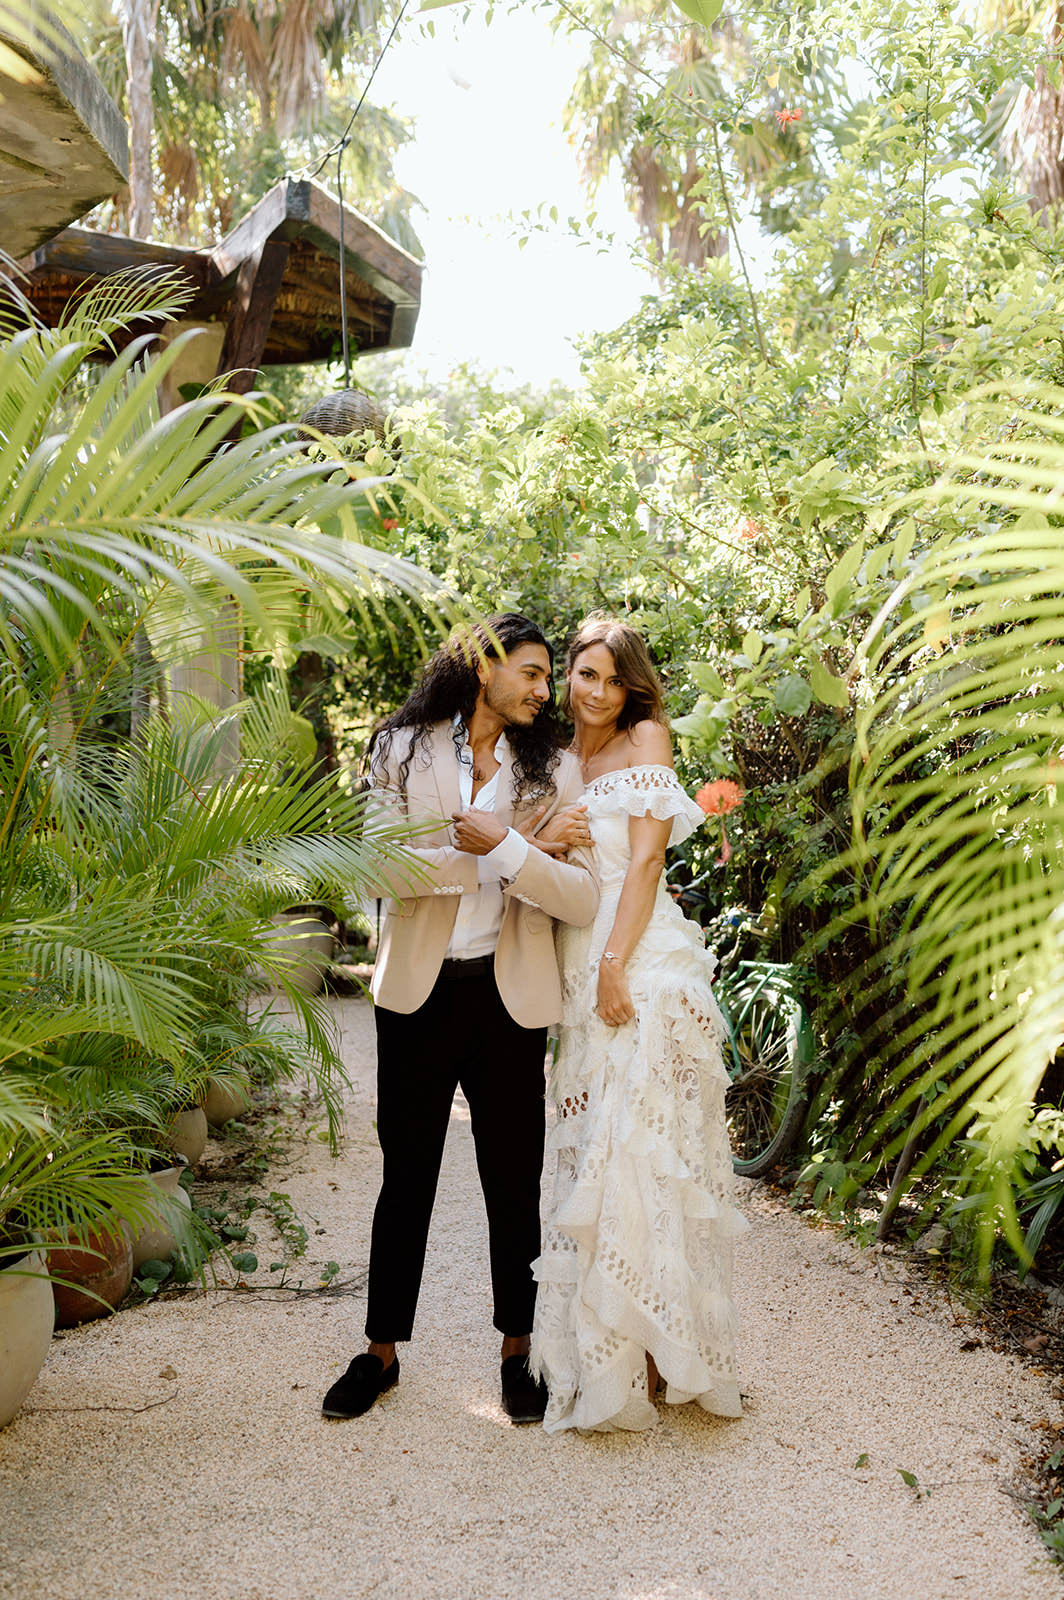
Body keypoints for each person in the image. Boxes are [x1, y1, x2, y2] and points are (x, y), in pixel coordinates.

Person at [321, 614, 598, 1424]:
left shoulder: (556, 769)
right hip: (418, 992)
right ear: (485, 667)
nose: (548, 691)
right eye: (535, 673)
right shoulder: (402, 748)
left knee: (512, 1183)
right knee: (404, 1180)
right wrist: (509, 845)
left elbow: (578, 894)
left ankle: (520, 1354)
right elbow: (377, 864)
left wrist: (509, 850)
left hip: (511, 999)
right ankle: (379, 1354)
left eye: (552, 677)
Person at [530, 614, 747, 1433]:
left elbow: (648, 860)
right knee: (596, 1155)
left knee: (644, 1153)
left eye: (612, 679)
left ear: (634, 689)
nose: (596, 692)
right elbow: (533, 855)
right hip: (577, 968)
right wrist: (552, 834)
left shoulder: (647, 739)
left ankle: (664, 1352)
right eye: (585, 674)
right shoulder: (556, 759)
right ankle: (614, 1353)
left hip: (643, 963)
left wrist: (618, 965)